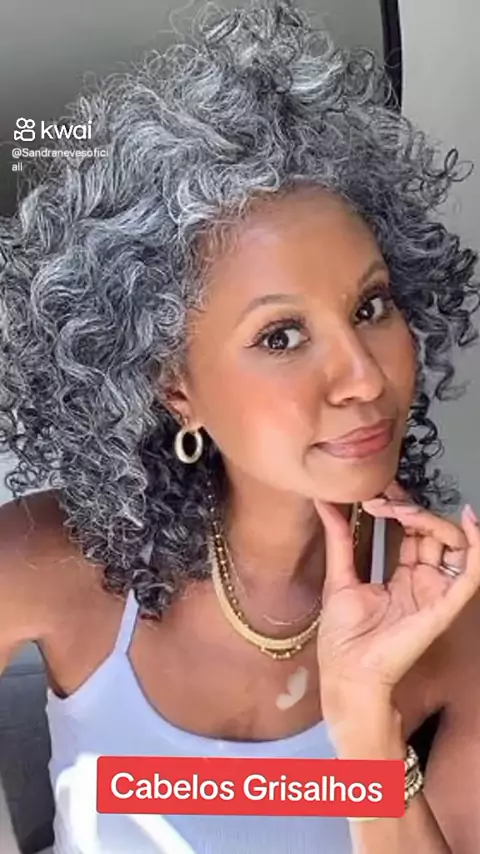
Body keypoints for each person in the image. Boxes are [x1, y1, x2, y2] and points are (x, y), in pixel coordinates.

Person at [0, 1, 480, 852]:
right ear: (173, 386)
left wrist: (364, 719)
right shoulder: (42, 564)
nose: (365, 377)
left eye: (371, 306)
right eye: (281, 336)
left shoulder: (451, 615)